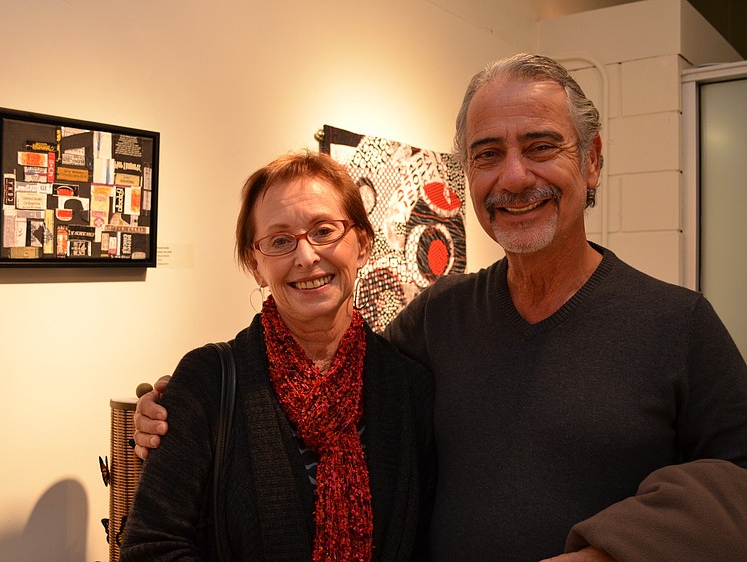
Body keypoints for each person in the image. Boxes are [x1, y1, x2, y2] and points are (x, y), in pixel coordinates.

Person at [134, 54, 747, 561]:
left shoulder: (679, 325)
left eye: (540, 146)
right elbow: (332, 368)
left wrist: (607, 553)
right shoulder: (440, 318)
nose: (513, 177)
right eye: (487, 154)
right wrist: (174, 407)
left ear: (591, 160)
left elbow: (740, 480)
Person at [120, 151, 436, 561]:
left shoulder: (409, 386)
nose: (306, 257)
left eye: (324, 231)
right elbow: (150, 548)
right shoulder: (207, 382)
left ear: (362, 245)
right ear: (256, 265)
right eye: (280, 241)